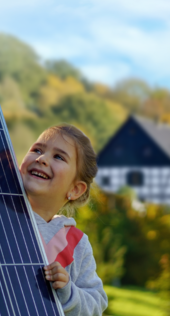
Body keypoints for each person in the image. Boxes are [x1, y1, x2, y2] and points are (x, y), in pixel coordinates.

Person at [19, 124, 109, 316]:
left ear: (75, 190)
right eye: (37, 150)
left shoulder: (77, 244)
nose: (42, 159)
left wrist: (68, 292)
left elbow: (96, 304)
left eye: (58, 156)